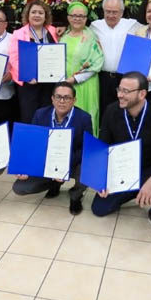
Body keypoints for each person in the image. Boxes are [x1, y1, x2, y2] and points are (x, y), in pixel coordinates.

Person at [93, 71, 151, 239]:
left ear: (142, 93)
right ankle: (135, 190)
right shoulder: (112, 111)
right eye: (119, 89)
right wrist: (101, 179)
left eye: (126, 91)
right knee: (99, 209)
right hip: (123, 171)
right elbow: (102, 147)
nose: (120, 95)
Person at [12, 82, 93, 215]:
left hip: (71, 162)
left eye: (66, 97)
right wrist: (24, 167)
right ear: (52, 98)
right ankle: (54, 184)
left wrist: (63, 166)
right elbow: (33, 144)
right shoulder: (40, 114)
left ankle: (76, 195)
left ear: (74, 100)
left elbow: (86, 149)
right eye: (58, 97)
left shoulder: (84, 118)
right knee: (19, 188)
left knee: (88, 166)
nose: (62, 101)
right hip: (46, 163)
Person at [9, 0, 60, 124]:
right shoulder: (19, 33)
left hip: (49, 84)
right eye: (34, 12)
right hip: (29, 84)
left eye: (41, 13)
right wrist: (26, 77)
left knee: (47, 117)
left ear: (45, 16)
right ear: (28, 15)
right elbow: (14, 58)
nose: (37, 15)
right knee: (29, 117)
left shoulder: (53, 31)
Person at [90, 0, 141, 114]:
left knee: (126, 111)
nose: (111, 15)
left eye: (115, 12)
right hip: (103, 78)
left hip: (125, 77)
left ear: (122, 13)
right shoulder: (94, 26)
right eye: (108, 11)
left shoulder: (133, 25)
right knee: (105, 111)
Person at [60, 2, 104, 134]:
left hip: (86, 85)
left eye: (81, 16)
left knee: (85, 119)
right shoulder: (63, 37)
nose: (77, 19)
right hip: (66, 84)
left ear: (86, 18)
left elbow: (97, 62)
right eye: (74, 15)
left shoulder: (91, 37)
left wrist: (75, 79)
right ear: (68, 17)